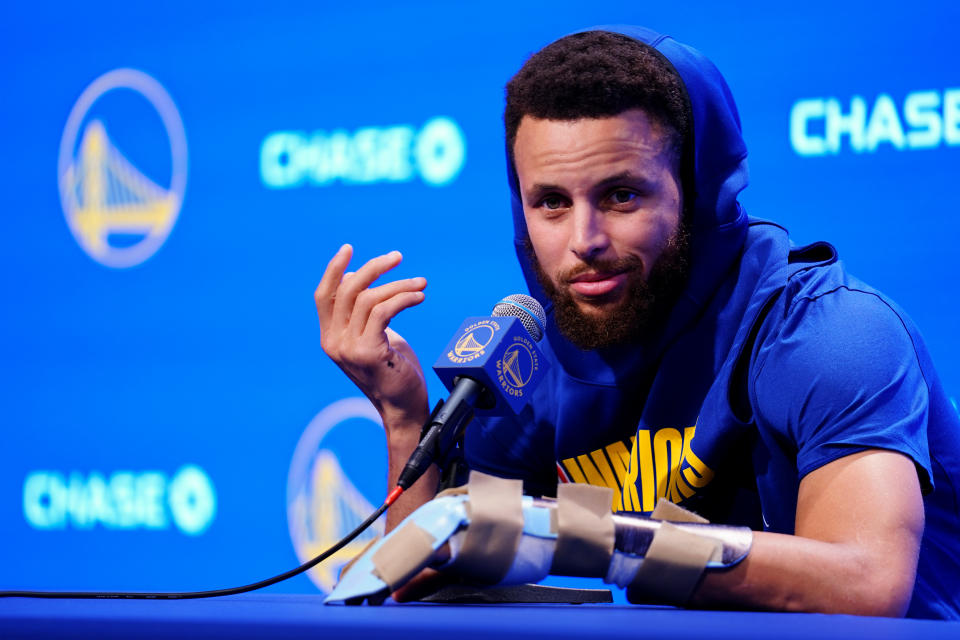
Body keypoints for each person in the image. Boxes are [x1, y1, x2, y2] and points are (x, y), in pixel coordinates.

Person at [314, 27, 960, 618]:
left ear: (701, 190)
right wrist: (403, 416)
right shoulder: (536, 355)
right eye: (552, 203)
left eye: (622, 195)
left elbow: (866, 586)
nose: (583, 240)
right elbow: (421, 570)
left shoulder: (829, 333)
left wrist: (589, 536)